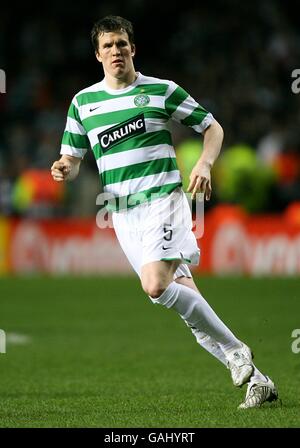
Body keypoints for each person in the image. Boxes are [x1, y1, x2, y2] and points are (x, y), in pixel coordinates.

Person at [51, 15, 278, 409]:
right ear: (98, 54)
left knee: (156, 285)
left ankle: (237, 349)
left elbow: (212, 127)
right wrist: (64, 168)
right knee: (185, 302)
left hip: (163, 202)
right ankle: (259, 382)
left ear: (133, 48)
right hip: (122, 215)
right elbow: (71, 157)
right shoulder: (83, 103)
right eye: (108, 46)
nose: (116, 51)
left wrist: (205, 163)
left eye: (122, 44)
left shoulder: (161, 90)